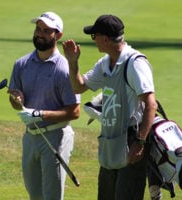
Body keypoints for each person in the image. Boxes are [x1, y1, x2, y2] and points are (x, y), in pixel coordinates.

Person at [63, 15, 158, 200]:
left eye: (94, 36)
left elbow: (150, 104)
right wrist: (73, 62)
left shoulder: (135, 63)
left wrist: (140, 143)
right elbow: (79, 86)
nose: (94, 41)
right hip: (110, 142)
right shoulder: (105, 63)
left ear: (105, 39)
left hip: (132, 141)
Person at [7, 11, 81, 200]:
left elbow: (74, 111)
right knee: (35, 195)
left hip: (56, 137)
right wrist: (17, 101)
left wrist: (39, 115)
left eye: (46, 30)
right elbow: (16, 103)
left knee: (52, 196)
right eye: (38, 29)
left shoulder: (64, 68)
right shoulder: (21, 64)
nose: (40, 33)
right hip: (30, 137)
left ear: (58, 35)